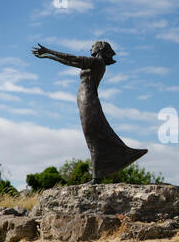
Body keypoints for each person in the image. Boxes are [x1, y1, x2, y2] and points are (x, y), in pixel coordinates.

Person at [32, 42, 147, 183]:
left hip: (89, 101)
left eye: (92, 46)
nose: (89, 48)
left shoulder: (98, 62)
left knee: (94, 138)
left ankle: (98, 175)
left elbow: (72, 58)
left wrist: (48, 50)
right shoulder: (93, 63)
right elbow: (70, 62)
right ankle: (100, 173)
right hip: (84, 101)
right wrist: (48, 57)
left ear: (99, 49)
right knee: (92, 137)